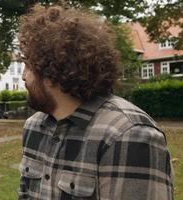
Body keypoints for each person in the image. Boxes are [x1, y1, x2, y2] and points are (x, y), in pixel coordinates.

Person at [18, 4, 174, 200]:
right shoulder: (34, 127)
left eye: (27, 66)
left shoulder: (129, 134)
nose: (23, 76)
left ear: (51, 71)